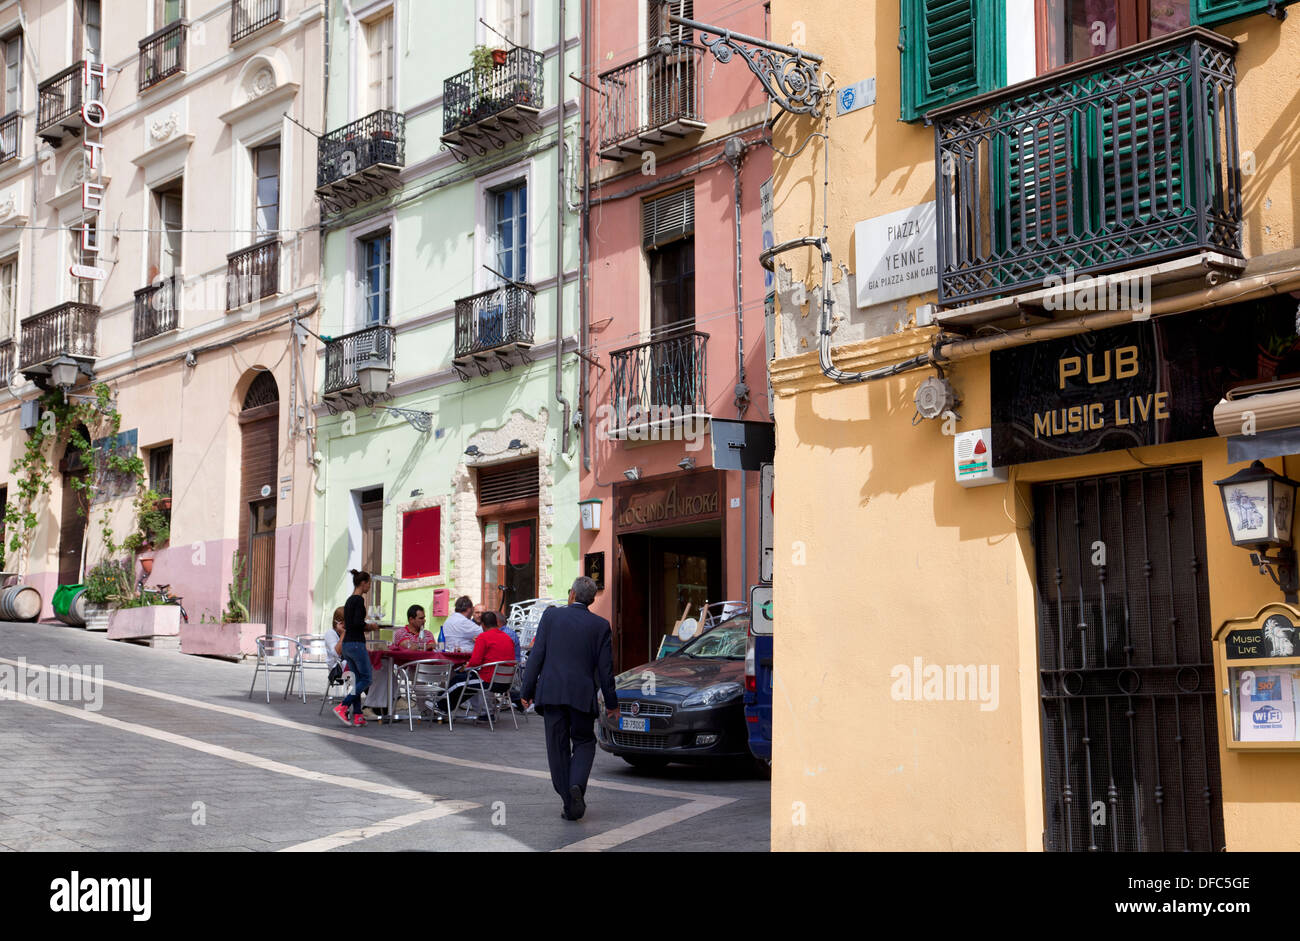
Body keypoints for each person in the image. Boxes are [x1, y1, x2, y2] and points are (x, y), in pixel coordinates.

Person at [520, 576, 618, 821]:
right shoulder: (601, 625)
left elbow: (536, 655)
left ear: (572, 594)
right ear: (592, 600)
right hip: (582, 696)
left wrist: (526, 691)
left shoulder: (551, 617)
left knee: (557, 747)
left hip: (552, 693)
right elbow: (606, 670)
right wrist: (613, 704)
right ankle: (575, 787)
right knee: (584, 742)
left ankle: (568, 799)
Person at [334, 570, 381, 727]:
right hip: (356, 644)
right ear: (363, 583)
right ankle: (344, 705)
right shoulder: (359, 601)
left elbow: (350, 623)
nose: (369, 586)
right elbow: (357, 624)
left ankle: (358, 714)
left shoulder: (348, 601)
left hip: (347, 644)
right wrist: (371, 627)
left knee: (357, 681)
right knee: (367, 678)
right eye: (369, 583)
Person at [448, 610, 517, 715]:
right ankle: (485, 713)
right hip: (506, 682)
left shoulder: (483, 637)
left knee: (458, 681)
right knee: (469, 681)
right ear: (496, 623)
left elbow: (475, 662)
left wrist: (465, 667)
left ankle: (441, 706)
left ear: (483, 625)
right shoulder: (508, 638)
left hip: (489, 681)